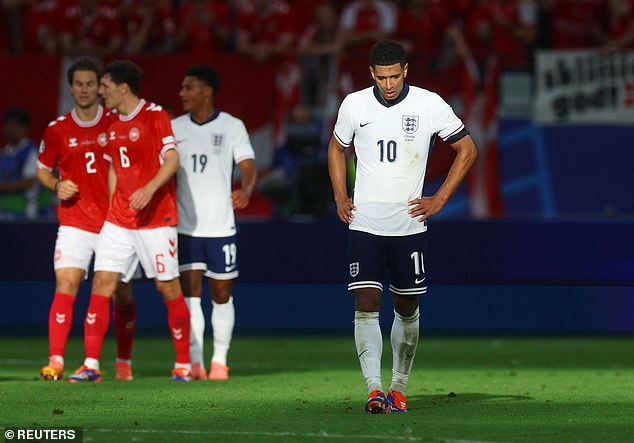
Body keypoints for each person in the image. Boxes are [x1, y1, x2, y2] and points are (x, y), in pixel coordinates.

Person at [327, 40, 477, 414]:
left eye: (395, 76)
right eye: (382, 77)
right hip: (364, 221)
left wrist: (439, 199)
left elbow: (468, 149)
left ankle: (399, 387)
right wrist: (340, 196)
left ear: (406, 71)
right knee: (366, 302)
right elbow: (335, 147)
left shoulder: (428, 104)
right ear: (371, 74)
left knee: (406, 305)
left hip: (408, 223)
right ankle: (374, 389)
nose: (389, 84)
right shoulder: (354, 104)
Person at [66, 60, 191, 382]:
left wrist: (149, 189)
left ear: (123, 87)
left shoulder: (154, 115)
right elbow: (112, 168)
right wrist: (112, 209)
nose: (100, 92)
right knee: (102, 284)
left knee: (167, 287)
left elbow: (172, 159)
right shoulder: (111, 123)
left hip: (156, 219)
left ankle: (183, 365)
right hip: (119, 221)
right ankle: (91, 364)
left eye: (104, 86)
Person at [37, 58, 137, 382]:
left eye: (90, 84)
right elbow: (42, 168)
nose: (84, 89)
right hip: (74, 221)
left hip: (114, 223)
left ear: (100, 87)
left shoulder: (115, 122)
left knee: (120, 293)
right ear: (71, 88)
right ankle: (59, 361)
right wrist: (56, 184)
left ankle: (123, 360)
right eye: (78, 84)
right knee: (66, 284)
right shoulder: (56, 129)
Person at [172, 65, 256, 380]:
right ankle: (196, 362)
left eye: (188, 87)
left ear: (207, 91)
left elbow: (247, 164)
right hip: (186, 227)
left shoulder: (232, 126)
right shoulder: (175, 128)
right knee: (190, 294)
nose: (182, 93)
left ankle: (219, 360)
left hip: (221, 226)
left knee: (221, 294)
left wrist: (245, 189)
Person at [0, 107, 39, 220]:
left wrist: (2, 188)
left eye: (14, 125)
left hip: (24, 214)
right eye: (7, 125)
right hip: (4, 213)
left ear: (24, 128)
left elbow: (29, 182)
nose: (10, 129)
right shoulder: (4, 154)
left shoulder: (31, 152)